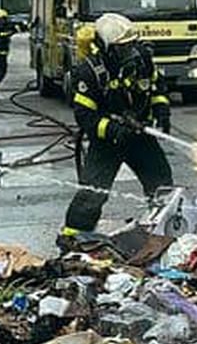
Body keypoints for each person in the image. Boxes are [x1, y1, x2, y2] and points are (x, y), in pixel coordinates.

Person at [61, 12, 174, 241]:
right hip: (107, 143)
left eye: (132, 44)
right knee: (92, 194)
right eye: (123, 47)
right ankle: (72, 239)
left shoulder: (142, 60)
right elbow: (85, 117)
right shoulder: (90, 72)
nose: (130, 51)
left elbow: (157, 88)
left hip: (140, 138)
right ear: (107, 48)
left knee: (162, 187)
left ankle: (163, 233)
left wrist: (161, 111)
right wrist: (113, 130)